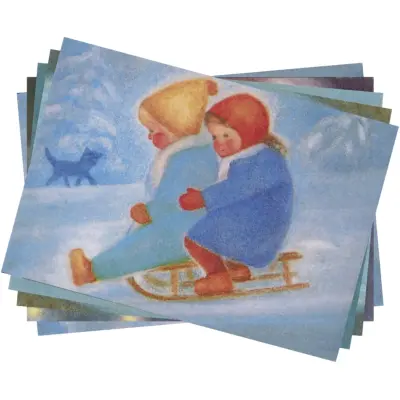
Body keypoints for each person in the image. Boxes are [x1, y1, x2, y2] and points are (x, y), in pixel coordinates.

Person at [70, 78, 219, 286]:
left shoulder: (188, 159)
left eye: (154, 131)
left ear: (177, 128)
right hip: (180, 222)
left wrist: (150, 211)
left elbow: (175, 200)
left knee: (145, 243)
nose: (149, 137)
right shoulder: (186, 153)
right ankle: (98, 267)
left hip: (187, 229)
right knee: (141, 237)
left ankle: (93, 270)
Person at [179, 93, 293, 296]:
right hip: (256, 224)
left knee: (195, 240)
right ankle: (236, 267)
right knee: (219, 230)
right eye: (215, 137)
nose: (219, 142)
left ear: (249, 132)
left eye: (226, 136)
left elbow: (239, 187)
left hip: (257, 227)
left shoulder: (262, 159)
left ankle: (218, 277)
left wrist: (204, 197)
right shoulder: (253, 156)